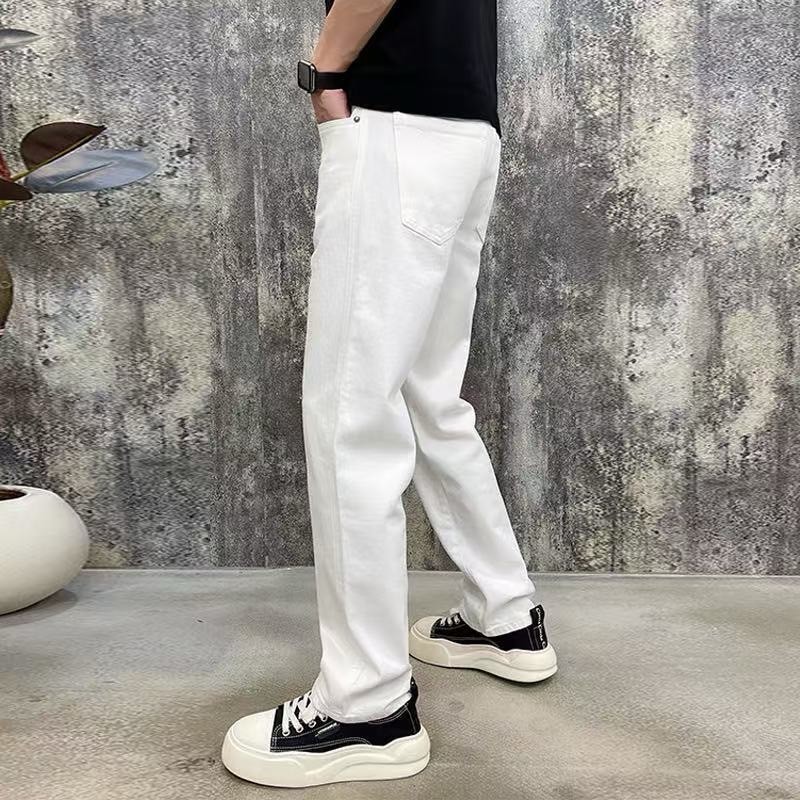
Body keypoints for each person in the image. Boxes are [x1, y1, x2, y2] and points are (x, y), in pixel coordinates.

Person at [221, 0, 557, 787]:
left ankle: (365, 706)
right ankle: (505, 618)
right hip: (465, 127)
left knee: (352, 412)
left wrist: (326, 70)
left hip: (397, 124)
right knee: (427, 396)